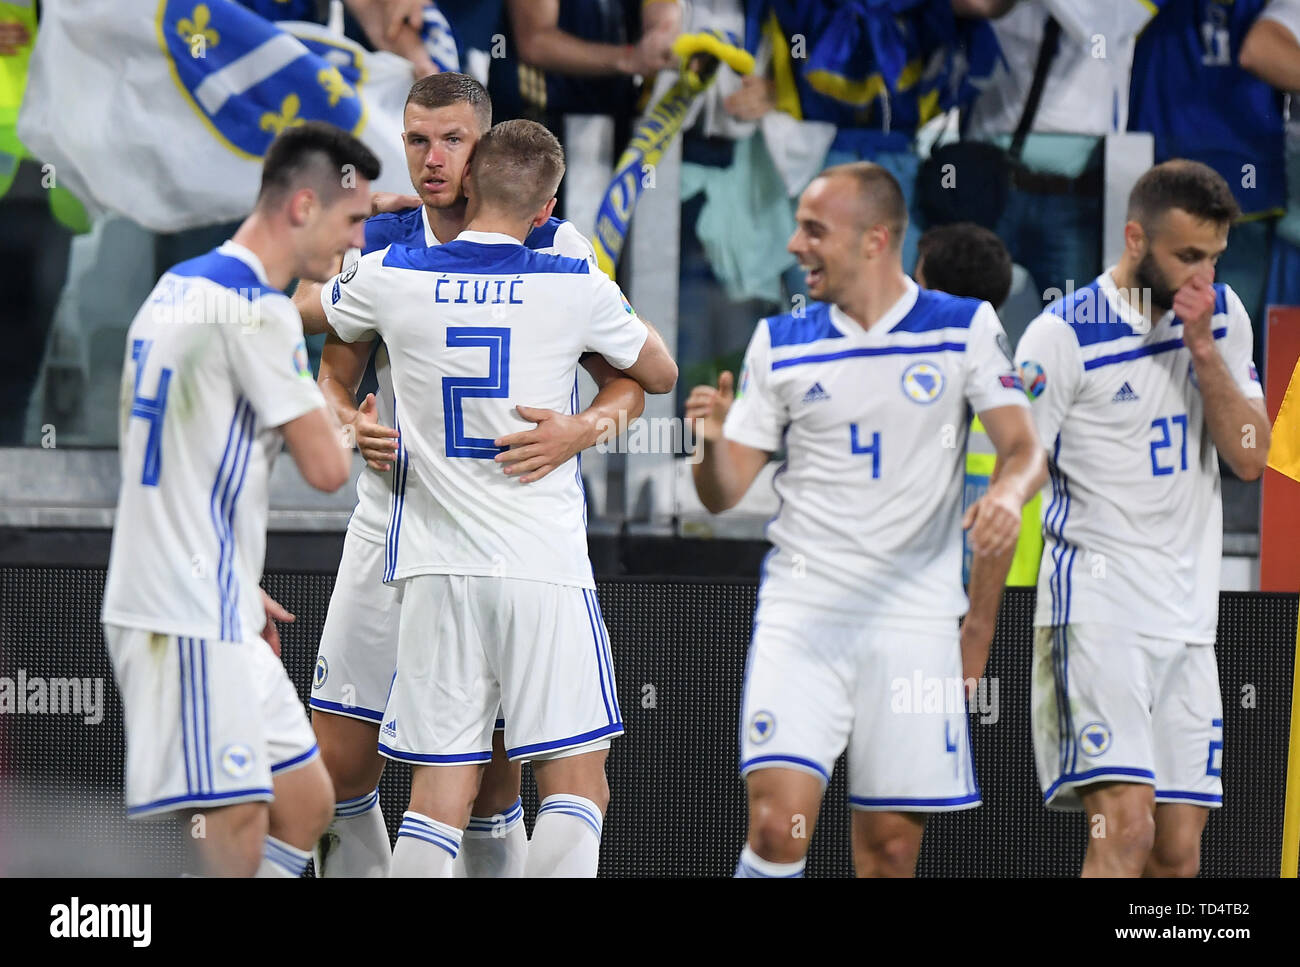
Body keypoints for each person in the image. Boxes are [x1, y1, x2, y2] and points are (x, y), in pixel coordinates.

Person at [294, 73, 645, 878]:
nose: (431, 158)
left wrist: (582, 430)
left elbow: (630, 378)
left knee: (488, 784)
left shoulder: (558, 245)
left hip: (506, 535)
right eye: (416, 139)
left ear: (488, 146)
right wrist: (349, 423)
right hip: (390, 526)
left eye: (452, 139)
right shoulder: (382, 244)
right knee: (338, 772)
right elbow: (331, 376)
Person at [687, 162, 1045, 877]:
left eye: (814, 230)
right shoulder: (780, 341)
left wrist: (1007, 496)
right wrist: (708, 446)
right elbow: (723, 493)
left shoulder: (963, 327)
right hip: (803, 614)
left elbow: (1025, 448)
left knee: (888, 849)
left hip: (912, 624)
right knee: (773, 828)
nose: (794, 245)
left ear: (876, 240)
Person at [100, 122, 376, 877]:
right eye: (353, 222)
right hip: (180, 610)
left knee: (304, 801)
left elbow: (178, 454)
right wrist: (353, 426)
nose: (357, 244)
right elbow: (325, 469)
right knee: (236, 822)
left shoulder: (179, 284)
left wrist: (237, 578)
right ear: (303, 206)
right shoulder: (260, 312)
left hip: (208, 594)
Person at [1014, 159, 1270, 877]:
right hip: (1097, 613)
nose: (1204, 277)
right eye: (1188, 256)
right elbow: (1018, 463)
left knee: (1176, 853)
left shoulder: (1225, 318)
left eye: (1215, 258)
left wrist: (1204, 352)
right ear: (1135, 238)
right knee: (1123, 832)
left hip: (1189, 620)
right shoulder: (1061, 334)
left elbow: (1251, 457)